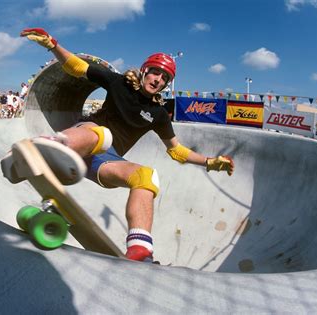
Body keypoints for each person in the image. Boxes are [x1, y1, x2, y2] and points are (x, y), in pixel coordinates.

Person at [20, 27, 235, 262]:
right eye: (155, 73)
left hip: (103, 161)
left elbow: (176, 150)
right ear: (144, 71)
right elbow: (78, 67)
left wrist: (210, 163)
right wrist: (53, 45)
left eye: (165, 79)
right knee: (102, 135)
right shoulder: (118, 82)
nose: (158, 80)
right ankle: (48, 148)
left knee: (147, 176)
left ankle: (140, 249)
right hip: (83, 138)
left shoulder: (159, 114)